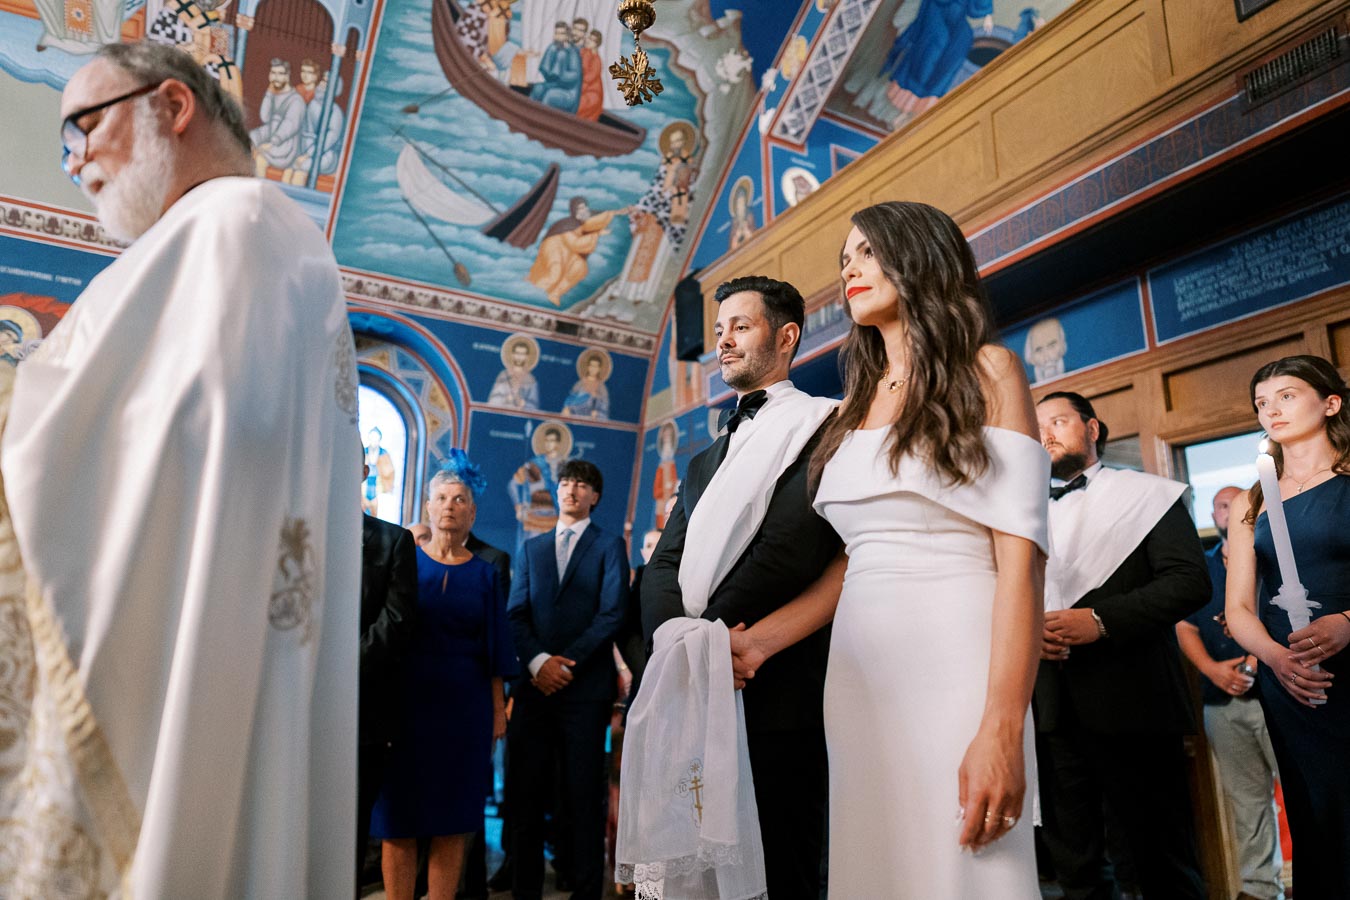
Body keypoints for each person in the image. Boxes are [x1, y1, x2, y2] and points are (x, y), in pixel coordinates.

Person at [0, 40, 359, 895]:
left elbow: (139, 440)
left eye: (84, 124)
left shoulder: (223, 228)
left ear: (172, 105)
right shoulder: (276, 235)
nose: (75, 157)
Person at [726, 205, 1049, 897]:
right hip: (860, 672)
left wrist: (1002, 723)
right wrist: (760, 643)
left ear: (920, 256)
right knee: (879, 866)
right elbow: (855, 561)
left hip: (960, 655)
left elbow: (1022, 562)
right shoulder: (852, 404)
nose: (850, 268)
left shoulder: (989, 370)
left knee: (967, 866)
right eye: (846, 256)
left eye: (868, 251)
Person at [640, 275, 838, 900]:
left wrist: (710, 640)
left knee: (783, 863)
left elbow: (790, 546)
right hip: (696, 681)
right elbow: (662, 563)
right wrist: (682, 642)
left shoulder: (825, 425)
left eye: (740, 327)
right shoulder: (704, 457)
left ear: (786, 337)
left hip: (773, 683)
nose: (722, 341)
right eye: (719, 329)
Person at [1034, 390, 1208, 900]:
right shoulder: (1019, 512)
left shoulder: (1149, 494)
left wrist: (1101, 620)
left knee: (1159, 860)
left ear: (1092, 428)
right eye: (1037, 425)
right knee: (1076, 867)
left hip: (1134, 701)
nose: (1046, 433)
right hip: (1051, 708)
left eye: (1059, 420)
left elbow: (1189, 581)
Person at [1225, 354, 1350, 898]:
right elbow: (1239, 610)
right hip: (1293, 682)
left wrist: (1348, 623)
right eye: (1261, 402)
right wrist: (1276, 659)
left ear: (1330, 403)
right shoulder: (1252, 500)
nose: (1270, 410)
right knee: (1315, 814)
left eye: (1286, 395)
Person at [371, 456, 517, 900]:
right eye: (440, 498)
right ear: (427, 509)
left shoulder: (486, 574)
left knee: (453, 820)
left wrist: (498, 711)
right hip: (405, 708)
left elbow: (496, 649)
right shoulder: (405, 564)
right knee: (398, 819)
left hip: (465, 714)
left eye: (459, 499)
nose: (449, 506)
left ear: (472, 512)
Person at [507, 459, 629, 900]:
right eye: (565, 483)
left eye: (581, 484)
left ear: (594, 496)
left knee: (580, 798)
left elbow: (613, 612)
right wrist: (539, 662)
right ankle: (524, 891)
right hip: (535, 691)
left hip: (584, 694)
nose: (571, 490)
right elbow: (516, 613)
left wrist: (565, 664)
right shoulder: (531, 550)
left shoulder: (608, 546)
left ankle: (583, 891)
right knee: (525, 798)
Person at [1176, 485, 1285, 900]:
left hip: (1276, 693)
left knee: (1307, 791)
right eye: (1221, 505)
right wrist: (1212, 670)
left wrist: (1254, 661)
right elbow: (1184, 626)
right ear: (1214, 514)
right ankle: (1259, 889)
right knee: (1246, 800)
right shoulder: (1199, 570)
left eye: (1235, 504)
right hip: (1220, 702)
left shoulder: (1272, 561)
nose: (1228, 511)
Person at [359, 485, 421, 892]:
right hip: (291, 703)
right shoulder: (290, 523)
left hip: (365, 706)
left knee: (351, 822)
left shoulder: (392, 540)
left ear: (363, 471)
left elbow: (397, 619)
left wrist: (340, 668)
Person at [528, 197, 628, 306]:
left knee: (580, 268)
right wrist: (596, 234)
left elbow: (599, 215)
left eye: (585, 207)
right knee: (555, 271)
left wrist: (617, 212)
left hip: (568, 251)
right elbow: (575, 244)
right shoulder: (567, 224)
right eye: (580, 208)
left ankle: (556, 293)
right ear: (574, 210)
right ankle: (533, 291)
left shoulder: (583, 223)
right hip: (554, 248)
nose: (584, 210)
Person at [250, 57, 305, 176]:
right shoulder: (273, 94)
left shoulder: (296, 100)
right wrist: (269, 94)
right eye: (273, 73)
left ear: (287, 76)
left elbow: (290, 125)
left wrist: (271, 144)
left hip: (285, 147)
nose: (276, 77)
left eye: (280, 74)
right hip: (270, 137)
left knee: (259, 158)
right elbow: (265, 118)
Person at [530, 21, 582, 113]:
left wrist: (561, 75)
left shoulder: (572, 52)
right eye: (556, 33)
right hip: (555, 85)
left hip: (569, 93)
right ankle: (528, 112)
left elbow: (574, 76)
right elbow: (545, 70)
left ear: (567, 36)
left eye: (561, 34)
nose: (558, 36)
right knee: (538, 88)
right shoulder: (553, 48)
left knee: (550, 95)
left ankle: (541, 118)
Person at [489, 336, 541, 410]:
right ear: (512, 355)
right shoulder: (503, 375)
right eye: (517, 353)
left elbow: (534, 405)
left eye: (523, 354)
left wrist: (524, 404)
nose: (519, 357)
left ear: (527, 356)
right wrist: (505, 399)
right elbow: (493, 400)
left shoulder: (531, 379)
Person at [563, 349, 611, 420]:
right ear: (588, 367)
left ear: (599, 369)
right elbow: (571, 399)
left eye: (595, 366)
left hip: (594, 417)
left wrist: (596, 412)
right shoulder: (580, 384)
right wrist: (567, 408)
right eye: (591, 365)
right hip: (577, 415)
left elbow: (605, 405)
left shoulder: (602, 387)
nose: (593, 368)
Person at [576, 28, 604, 121]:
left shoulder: (597, 61)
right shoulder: (583, 51)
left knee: (578, 104)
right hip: (580, 87)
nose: (588, 41)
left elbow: (588, 79)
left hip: (591, 92)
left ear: (597, 44)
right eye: (588, 38)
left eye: (592, 40)